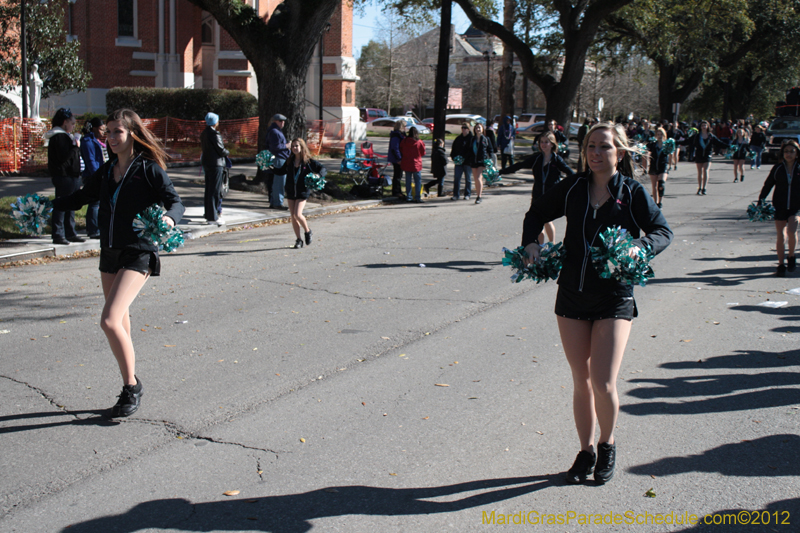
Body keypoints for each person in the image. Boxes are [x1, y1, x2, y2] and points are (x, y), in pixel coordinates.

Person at [520, 122, 672, 485]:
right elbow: (535, 213)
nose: (595, 153)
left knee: (603, 382)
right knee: (580, 378)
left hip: (614, 295)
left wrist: (641, 247)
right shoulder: (573, 187)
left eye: (604, 147)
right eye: (590, 146)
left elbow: (662, 231)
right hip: (572, 293)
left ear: (619, 152)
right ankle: (585, 450)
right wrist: (531, 243)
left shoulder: (632, 192)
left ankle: (607, 444)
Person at [52, 108, 185, 418]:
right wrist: (48, 207)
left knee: (109, 320)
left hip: (139, 250)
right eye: (108, 132)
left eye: (117, 132)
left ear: (132, 134)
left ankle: (131, 387)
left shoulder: (148, 169)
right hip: (109, 251)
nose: (111, 137)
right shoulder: (108, 167)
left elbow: (175, 201)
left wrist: (169, 217)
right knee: (119, 322)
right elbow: (82, 196)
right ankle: (130, 379)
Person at [500, 131, 574, 243]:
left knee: (547, 220)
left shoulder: (556, 159)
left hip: (551, 195)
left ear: (552, 144)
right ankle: (540, 248)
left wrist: (567, 186)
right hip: (537, 195)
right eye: (541, 142)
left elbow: (570, 173)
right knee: (538, 221)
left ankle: (552, 245)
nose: (543, 144)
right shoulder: (536, 158)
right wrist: (501, 171)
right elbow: (519, 165)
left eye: (546, 142)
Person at [272, 138, 327, 248]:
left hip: (302, 191)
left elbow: (323, 169)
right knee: (293, 216)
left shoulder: (309, 162)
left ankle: (307, 231)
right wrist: (268, 166)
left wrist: (318, 175)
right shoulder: (289, 161)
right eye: (293, 146)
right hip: (291, 191)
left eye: (297, 146)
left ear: (302, 147)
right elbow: (280, 171)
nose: (294, 148)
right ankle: (298, 240)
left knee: (298, 214)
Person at [758, 139, 800, 277]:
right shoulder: (777, 168)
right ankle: (781, 264)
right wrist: (761, 200)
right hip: (779, 205)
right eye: (786, 151)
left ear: (797, 153)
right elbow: (768, 185)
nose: (789, 154)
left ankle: (792, 256)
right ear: (782, 153)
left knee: (792, 231)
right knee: (781, 234)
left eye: (792, 151)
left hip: (796, 206)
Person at [47, 108, 85, 245]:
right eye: (72, 123)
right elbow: (64, 157)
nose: (73, 126)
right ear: (65, 122)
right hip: (64, 176)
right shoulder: (59, 137)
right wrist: (75, 146)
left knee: (71, 205)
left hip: (72, 176)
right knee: (62, 205)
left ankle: (70, 232)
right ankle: (58, 234)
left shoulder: (64, 136)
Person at [200, 112, 229, 225]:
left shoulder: (204, 133)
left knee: (209, 189)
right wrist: (227, 152)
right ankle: (213, 216)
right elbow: (221, 150)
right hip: (216, 164)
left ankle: (209, 214)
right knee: (215, 190)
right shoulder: (215, 134)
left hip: (207, 164)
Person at [80, 117, 106, 239]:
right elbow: (91, 160)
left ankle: (95, 227)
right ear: (94, 128)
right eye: (101, 129)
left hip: (97, 174)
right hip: (92, 176)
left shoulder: (95, 140)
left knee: (97, 203)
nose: (103, 132)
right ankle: (93, 229)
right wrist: (97, 175)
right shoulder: (88, 141)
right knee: (94, 203)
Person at [689, 120, 726, 195]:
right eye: (702, 125)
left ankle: (704, 188)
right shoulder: (697, 136)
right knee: (699, 172)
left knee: (705, 171)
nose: (704, 127)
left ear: (708, 126)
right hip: (699, 155)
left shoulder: (711, 136)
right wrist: (676, 142)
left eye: (705, 125)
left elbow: (719, 143)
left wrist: (728, 146)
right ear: (700, 127)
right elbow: (688, 141)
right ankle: (699, 187)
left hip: (707, 155)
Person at [266, 114, 290, 210]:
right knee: (279, 183)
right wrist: (287, 145)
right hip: (279, 159)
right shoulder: (275, 132)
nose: (282, 123)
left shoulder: (275, 131)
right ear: (275, 121)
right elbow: (275, 147)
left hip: (278, 158)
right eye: (280, 121)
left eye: (283, 121)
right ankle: (277, 203)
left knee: (277, 182)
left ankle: (275, 201)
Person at [644, 128, 670, 208]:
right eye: (658, 134)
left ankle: (660, 202)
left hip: (663, 166)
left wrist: (670, 164)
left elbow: (671, 153)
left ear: (664, 135)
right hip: (653, 166)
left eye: (661, 134)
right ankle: (655, 203)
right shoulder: (653, 144)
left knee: (661, 184)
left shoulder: (667, 144)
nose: (660, 136)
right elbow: (645, 150)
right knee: (654, 186)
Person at [400, 127, 426, 203]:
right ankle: (417, 197)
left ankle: (409, 196)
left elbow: (401, 150)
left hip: (407, 162)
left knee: (408, 181)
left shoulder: (404, 141)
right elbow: (423, 153)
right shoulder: (419, 142)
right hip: (416, 164)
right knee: (417, 181)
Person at [467, 123, 492, 204]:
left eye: (479, 127)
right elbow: (469, 150)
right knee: (476, 179)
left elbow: (490, 150)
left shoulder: (486, 139)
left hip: (482, 161)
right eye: (476, 128)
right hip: (473, 161)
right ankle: (478, 194)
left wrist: (490, 160)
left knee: (478, 177)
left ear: (482, 129)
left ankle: (479, 196)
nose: (478, 129)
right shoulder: (472, 139)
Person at [450, 123, 473, 200]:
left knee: (468, 179)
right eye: (462, 128)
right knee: (457, 178)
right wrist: (454, 157)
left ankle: (467, 194)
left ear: (468, 129)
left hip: (468, 162)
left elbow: (472, 151)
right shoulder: (458, 139)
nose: (463, 129)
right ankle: (456, 195)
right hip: (458, 163)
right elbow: (453, 150)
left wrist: (466, 158)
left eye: (465, 128)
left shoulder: (471, 139)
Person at [388, 120, 406, 198]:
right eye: (404, 126)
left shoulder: (400, 135)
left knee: (399, 175)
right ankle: (396, 191)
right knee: (397, 175)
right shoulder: (396, 136)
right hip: (397, 158)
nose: (405, 128)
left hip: (400, 157)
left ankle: (398, 190)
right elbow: (395, 148)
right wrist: (399, 158)